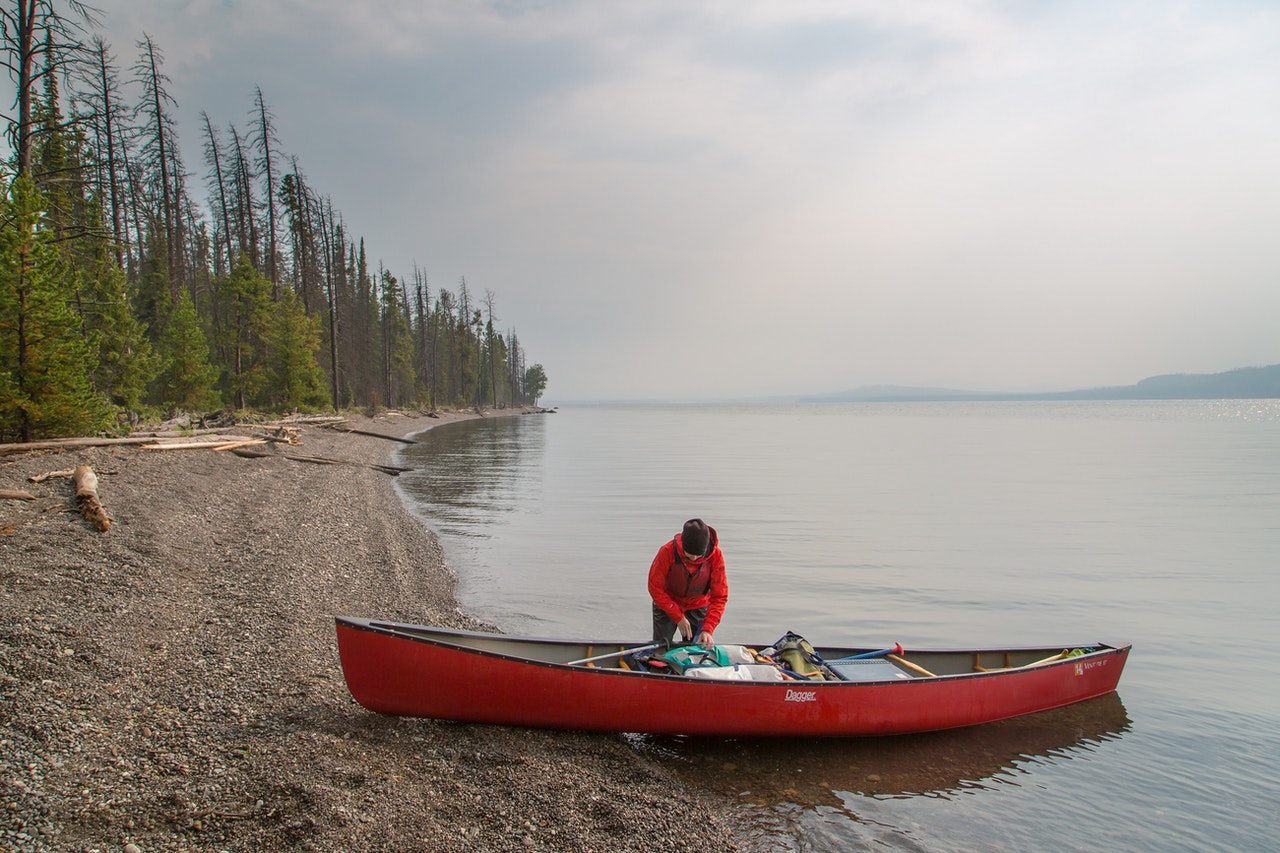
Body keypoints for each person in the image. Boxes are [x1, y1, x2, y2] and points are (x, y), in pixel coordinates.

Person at [648, 518, 728, 648]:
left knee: (698, 647)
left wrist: (708, 628)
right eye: (689, 555)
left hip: (698, 604)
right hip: (668, 603)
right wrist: (678, 616)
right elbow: (655, 588)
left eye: (699, 556)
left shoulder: (716, 557)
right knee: (661, 647)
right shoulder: (667, 551)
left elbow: (719, 597)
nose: (694, 559)